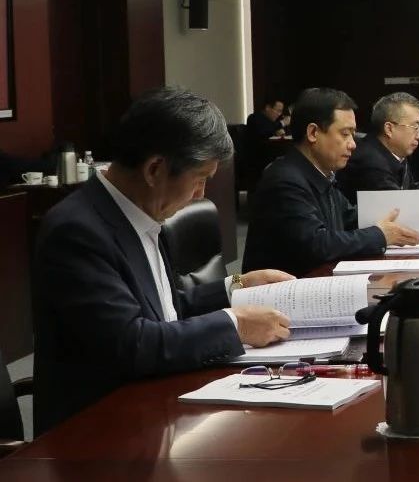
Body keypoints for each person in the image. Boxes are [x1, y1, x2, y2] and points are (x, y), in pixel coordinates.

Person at [32, 87, 294, 434]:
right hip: (99, 429)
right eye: (200, 179)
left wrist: (239, 284)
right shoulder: (78, 231)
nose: (201, 194)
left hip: (156, 404)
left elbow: (167, 309)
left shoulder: (141, 212)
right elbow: (132, 343)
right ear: (155, 169)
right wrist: (235, 325)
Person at [242, 88, 419, 276]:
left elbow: (350, 218)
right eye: (345, 134)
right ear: (313, 133)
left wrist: (399, 221)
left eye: (353, 134)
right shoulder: (285, 180)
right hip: (283, 289)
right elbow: (317, 244)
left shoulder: (320, 174)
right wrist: (380, 235)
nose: (353, 144)